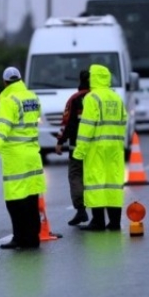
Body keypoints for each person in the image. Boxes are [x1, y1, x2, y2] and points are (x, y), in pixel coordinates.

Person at [0, 66, 46, 250]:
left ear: (5, 82)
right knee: (32, 198)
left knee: (15, 201)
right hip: (32, 154)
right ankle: (33, 237)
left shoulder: (8, 100)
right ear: (19, 79)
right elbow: (33, 122)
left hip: (16, 157)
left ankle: (19, 238)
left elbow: (3, 129)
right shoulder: (32, 97)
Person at [72, 64, 127, 231]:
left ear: (93, 78)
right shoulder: (116, 97)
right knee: (113, 183)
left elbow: (87, 127)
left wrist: (79, 151)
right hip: (115, 148)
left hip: (96, 148)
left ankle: (98, 221)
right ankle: (115, 222)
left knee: (96, 183)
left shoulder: (92, 98)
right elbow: (124, 120)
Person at [55, 70, 90, 226]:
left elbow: (67, 123)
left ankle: (81, 210)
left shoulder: (74, 99)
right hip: (97, 147)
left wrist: (60, 142)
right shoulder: (98, 98)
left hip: (77, 147)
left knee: (76, 176)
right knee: (94, 178)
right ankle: (99, 214)